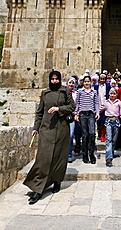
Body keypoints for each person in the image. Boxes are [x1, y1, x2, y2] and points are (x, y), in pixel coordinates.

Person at [23, 71, 75, 204]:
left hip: (62, 129)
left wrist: (59, 109)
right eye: (52, 79)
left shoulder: (66, 92)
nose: (55, 81)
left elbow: (72, 107)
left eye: (57, 79)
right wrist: (35, 128)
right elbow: (39, 112)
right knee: (43, 159)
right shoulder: (45, 93)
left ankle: (57, 181)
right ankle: (37, 189)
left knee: (59, 158)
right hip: (46, 130)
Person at [75, 75, 99, 164]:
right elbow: (78, 103)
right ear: (83, 82)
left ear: (91, 82)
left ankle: (91, 153)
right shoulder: (80, 91)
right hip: (82, 114)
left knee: (92, 133)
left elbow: (96, 102)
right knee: (85, 135)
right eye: (85, 81)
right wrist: (76, 113)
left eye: (88, 81)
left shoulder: (94, 92)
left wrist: (97, 112)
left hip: (91, 114)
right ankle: (85, 154)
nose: (86, 83)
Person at [99, 88, 121, 167]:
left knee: (114, 139)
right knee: (109, 139)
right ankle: (108, 157)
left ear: (116, 95)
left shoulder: (118, 103)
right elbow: (100, 109)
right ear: (109, 94)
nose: (112, 95)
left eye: (114, 94)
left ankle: (111, 151)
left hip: (116, 121)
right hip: (109, 121)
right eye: (111, 94)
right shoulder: (106, 102)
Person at [66, 77, 78, 163]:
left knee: (70, 135)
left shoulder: (76, 94)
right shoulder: (62, 93)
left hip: (72, 116)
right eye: (70, 82)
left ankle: (69, 154)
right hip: (62, 115)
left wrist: (76, 114)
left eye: (73, 83)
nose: (71, 84)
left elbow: (78, 104)